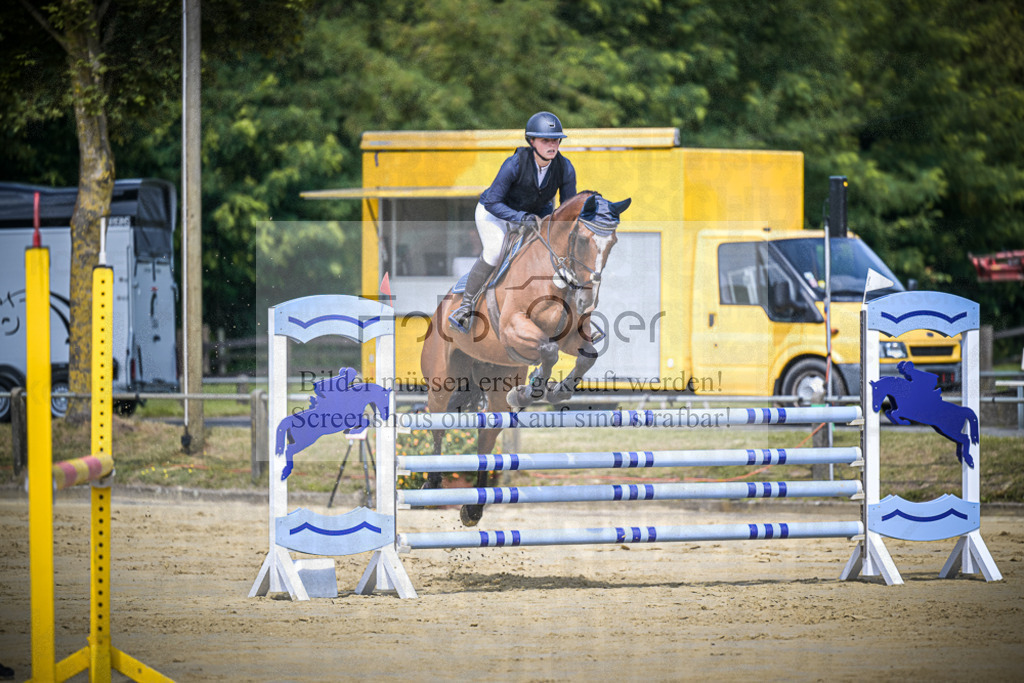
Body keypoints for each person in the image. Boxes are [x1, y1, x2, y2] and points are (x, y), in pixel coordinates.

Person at [449, 111, 578, 333]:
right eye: (545, 140)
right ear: (531, 141)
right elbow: (492, 202)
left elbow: (566, 210)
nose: (552, 145)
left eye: (556, 140)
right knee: (495, 251)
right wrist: (520, 218)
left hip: (533, 218)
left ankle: (576, 315)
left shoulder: (565, 168)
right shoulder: (514, 164)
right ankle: (466, 307)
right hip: (495, 214)